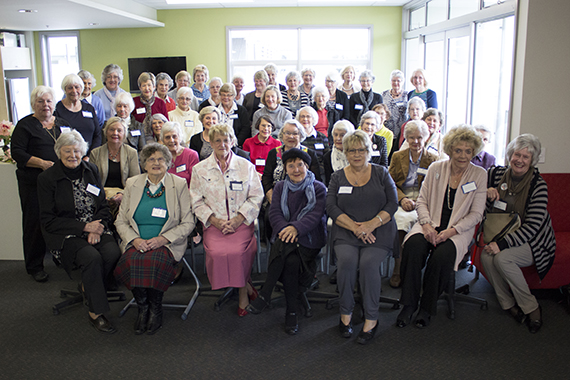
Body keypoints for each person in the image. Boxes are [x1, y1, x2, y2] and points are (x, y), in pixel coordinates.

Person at [396, 125, 486, 329]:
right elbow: (421, 201)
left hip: (458, 230)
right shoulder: (437, 168)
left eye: (468, 151)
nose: (463, 156)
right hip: (429, 223)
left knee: (441, 257)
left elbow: (476, 214)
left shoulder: (479, 175)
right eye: (458, 150)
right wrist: (427, 226)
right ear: (450, 150)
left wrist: (452, 231)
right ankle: (409, 304)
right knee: (413, 248)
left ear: (474, 152)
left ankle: (426, 308)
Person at [37, 130, 121, 333]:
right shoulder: (47, 179)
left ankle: (87, 286)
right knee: (91, 257)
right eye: (67, 151)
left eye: (76, 150)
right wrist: (84, 227)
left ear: (82, 151)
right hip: (65, 233)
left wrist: (97, 227)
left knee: (112, 253)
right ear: (58, 152)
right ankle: (96, 312)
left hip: (96, 227)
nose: (72, 155)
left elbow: (102, 205)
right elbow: (48, 220)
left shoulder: (90, 169)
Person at [326, 130, 398, 344]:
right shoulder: (337, 176)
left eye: (361, 149)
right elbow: (330, 207)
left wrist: (370, 225)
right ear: (345, 153)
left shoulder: (382, 173)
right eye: (351, 150)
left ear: (369, 151)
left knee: (367, 264)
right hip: (346, 231)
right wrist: (355, 228)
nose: (357, 154)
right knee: (347, 262)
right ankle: (345, 314)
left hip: (379, 231)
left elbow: (392, 204)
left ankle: (371, 318)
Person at [115, 143, 194, 334]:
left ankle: (155, 308)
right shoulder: (132, 184)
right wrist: (134, 240)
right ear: (144, 164)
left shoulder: (179, 184)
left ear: (168, 162)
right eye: (151, 159)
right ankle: (143, 308)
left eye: (160, 159)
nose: (156, 163)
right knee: (131, 260)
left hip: (167, 242)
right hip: (137, 241)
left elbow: (188, 222)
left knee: (154, 261)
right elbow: (120, 221)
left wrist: (163, 239)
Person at [246, 148, 327, 335]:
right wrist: (284, 229)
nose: (296, 169)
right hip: (285, 237)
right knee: (290, 261)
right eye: (291, 165)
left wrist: (294, 228)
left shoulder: (318, 188)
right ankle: (291, 312)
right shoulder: (281, 187)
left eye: (300, 164)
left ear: (307, 166)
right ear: (285, 168)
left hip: (309, 238)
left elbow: (315, 216)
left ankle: (266, 294)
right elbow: (274, 212)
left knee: (286, 251)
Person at [480, 134, 555, 334]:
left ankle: (532, 307)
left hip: (534, 240)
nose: (520, 160)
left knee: (502, 258)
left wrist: (502, 244)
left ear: (532, 161)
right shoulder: (495, 174)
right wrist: (486, 193)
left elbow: (534, 226)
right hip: (501, 233)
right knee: (486, 257)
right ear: (509, 155)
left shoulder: (538, 185)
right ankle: (508, 304)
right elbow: (484, 208)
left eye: (526, 157)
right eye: (516, 154)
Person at [190, 124, 263, 316]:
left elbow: (256, 196)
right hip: (215, 224)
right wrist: (215, 221)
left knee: (238, 253)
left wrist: (239, 219)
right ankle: (246, 285)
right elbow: (196, 201)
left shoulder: (245, 166)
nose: (222, 144)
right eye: (217, 140)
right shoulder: (200, 169)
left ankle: (242, 295)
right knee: (218, 253)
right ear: (211, 142)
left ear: (232, 141)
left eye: (226, 140)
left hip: (241, 223)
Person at [11, 86, 71, 282]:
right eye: (41, 101)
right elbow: (17, 153)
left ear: (54, 104)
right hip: (33, 183)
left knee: (60, 220)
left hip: (59, 182)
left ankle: (59, 256)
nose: (45, 105)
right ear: (33, 104)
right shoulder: (25, 125)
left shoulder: (62, 123)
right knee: (34, 223)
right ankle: (35, 266)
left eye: (48, 101)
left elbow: (71, 146)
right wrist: (42, 163)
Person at [387, 120, 438, 288]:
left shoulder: (434, 160)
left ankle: (413, 268)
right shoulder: (397, 156)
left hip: (424, 201)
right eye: (411, 138)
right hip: (401, 199)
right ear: (406, 139)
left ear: (426, 137)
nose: (415, 142)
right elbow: (390, 183)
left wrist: (419, 201)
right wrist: (402, 199)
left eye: (419, 138)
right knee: (400, 221)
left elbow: (435, 188)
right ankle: (398, 268)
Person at [262, 120, 322, 204]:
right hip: (277, 198)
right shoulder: (274, 153)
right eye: (287, 133)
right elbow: (266, 179)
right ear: (282, 135)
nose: (291, 136)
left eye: (295, 133)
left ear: (301, 135)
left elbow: (316, 180)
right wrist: (274, 201)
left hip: (304, 199)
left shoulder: (309, 153)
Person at [89, 117, 141, 214]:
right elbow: (91, 181)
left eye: (119, 130)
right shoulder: (95, 153)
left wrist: (122, 195)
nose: (115, 133)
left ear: (124, 134)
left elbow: (136, 181)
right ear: (106, 132)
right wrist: (101, 196)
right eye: (111, 129)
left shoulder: (131, 153)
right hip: (100, 197)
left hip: (125, 197)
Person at [55, 73, 101, 153]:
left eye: (77, 87)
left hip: (89, 158)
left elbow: (97, 135)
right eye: (70, 88)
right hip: (68, 157)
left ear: (81, 88)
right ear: (64, 90)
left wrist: (89, 156)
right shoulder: (57, 109)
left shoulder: (89, 108)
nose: (74, 91)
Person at [296, 106, 330, 180]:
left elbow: (327, 157)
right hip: (300, 173)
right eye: (302, 116)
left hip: (320, 173)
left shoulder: (322, 137)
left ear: (313, 119)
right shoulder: (296, 137)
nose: (305, 119)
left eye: (308, 116)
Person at [161, 122, 199, 187]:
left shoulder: (191, 155)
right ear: (163, 140)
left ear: (180, 138)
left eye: (174, 136)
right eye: (167, 137)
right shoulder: (159, 156)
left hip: (186, 193)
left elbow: (195, 182)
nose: (171, 140)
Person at [132, 72, 169, 138]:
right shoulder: (133, 102)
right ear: (140, 88)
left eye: (149, 85)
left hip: (157, 138)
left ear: (154, 86)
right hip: (138, 137)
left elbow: (166, 124)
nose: (147, 88)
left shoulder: (160, 102)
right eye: (144, 85)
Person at [381, 70, 408, 152]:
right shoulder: (383, 94)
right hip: (387, 131)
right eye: (394, 80)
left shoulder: (407, 95)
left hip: (402, 132)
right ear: (390, 81)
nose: (396, 83)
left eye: (398, 81)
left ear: (402, 82)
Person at [217, 83, 251, 147]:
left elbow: (245, 128)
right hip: (218, 144)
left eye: (229, 95)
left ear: (234, 96)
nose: (226, 97)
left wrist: (236, 142)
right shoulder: (215, 110)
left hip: (236, 145)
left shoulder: (241, 110)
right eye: (223, 95)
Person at [323, 120, 355, 187]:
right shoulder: (328, 157)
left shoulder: (358, 155)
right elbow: (328, 183)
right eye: (335, 135)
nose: (338, 138)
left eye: (342, 135)